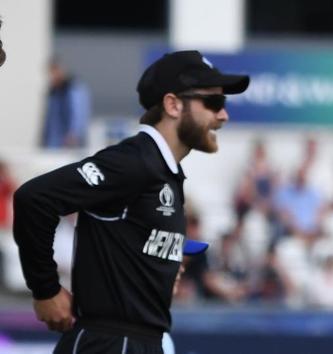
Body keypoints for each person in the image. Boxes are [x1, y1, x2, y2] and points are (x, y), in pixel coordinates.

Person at [12, 50, 249, 353]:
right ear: (173, 104)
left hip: (140, 342)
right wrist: (46, 289)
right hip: (110, 343)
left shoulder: (164, 171)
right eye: (213, 102)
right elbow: (34, 198)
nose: (223, 115)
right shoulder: (133, 162)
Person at [41, 58, 92, 148]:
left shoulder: (74, 89)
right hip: (53, 143)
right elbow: (50, 120)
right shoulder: (55, 92)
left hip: (70, 144)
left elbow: (78, 114)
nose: (53, 76)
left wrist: (73, 134)